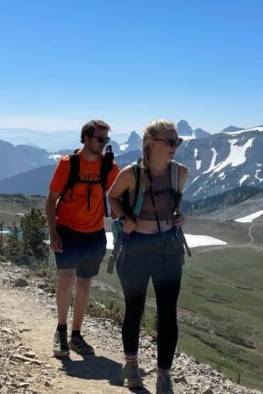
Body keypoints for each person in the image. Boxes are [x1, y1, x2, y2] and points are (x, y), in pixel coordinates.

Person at [107, 119, 188, 394]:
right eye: (170, 141)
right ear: (152, 143)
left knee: (168, 313)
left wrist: (178, 217)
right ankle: (131, 366)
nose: (175, 146)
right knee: (134, 308)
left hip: (167, 247)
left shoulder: (180, 173)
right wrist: (124, 218)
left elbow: (176, 203)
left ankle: (164, 375)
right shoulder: (131, 174)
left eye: (177, 141)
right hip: (137, 247)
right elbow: (112, 196)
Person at [45, 119, 119, 358]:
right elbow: (51, 200)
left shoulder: (108, 167)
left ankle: (76, 334)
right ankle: (61, 330)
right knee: (66, 278)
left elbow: (117, 196)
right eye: (100, 139)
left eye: (106, 139)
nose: (103, 143)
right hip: (67, 229)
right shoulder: (68, 164)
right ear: (86, 138)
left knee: (85, 283)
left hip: (94, 233)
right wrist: (53, 232)